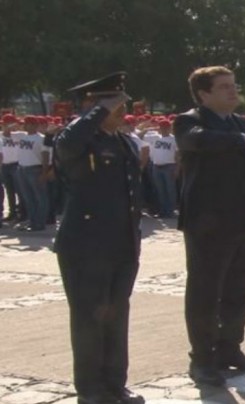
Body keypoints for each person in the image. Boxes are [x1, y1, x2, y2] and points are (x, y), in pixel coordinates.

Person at [173, 66, 245, 386]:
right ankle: (202, 359)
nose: (233, 91)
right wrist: (236, 140)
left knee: (241, 289)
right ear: (204, 94)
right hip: (209, 224)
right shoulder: (190, 120)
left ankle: (230, 348)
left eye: (234, 85)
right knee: (205, 292)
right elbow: (195, 142)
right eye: (224, 87)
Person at [54, 71, 144, 404]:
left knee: (117, 316)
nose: (121, 109)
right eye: (112, 102)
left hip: (122, 243)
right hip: (86, 245)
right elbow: (68, 144)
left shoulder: (121, 141)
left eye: (122, 102)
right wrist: (97, 111)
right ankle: (91, 390)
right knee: (89, 318)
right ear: (92, 105)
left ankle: (114, 384)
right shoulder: (78, 139)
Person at [17, 115, 51, 231]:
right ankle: (32, 221)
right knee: (28, 198)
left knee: (40, 197)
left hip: (35, 169)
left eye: (26, 124)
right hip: (22, 169)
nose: (24, 126)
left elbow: (45, 155)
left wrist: (44, 172)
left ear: (33, 125)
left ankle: (40, 223)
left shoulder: (41, 138)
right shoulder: (22, 136)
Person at [148, 120, 179, 219]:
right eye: (162, 127)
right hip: (156, 166)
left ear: (170, 128)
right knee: (160, 190)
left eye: (166, 127)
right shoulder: (155, 138)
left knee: (170, 190)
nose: (164, 129)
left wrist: (177, 168)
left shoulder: (174, 139)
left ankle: (170, 211)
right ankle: (162, 211)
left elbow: (178, 155)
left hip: (169, 166)